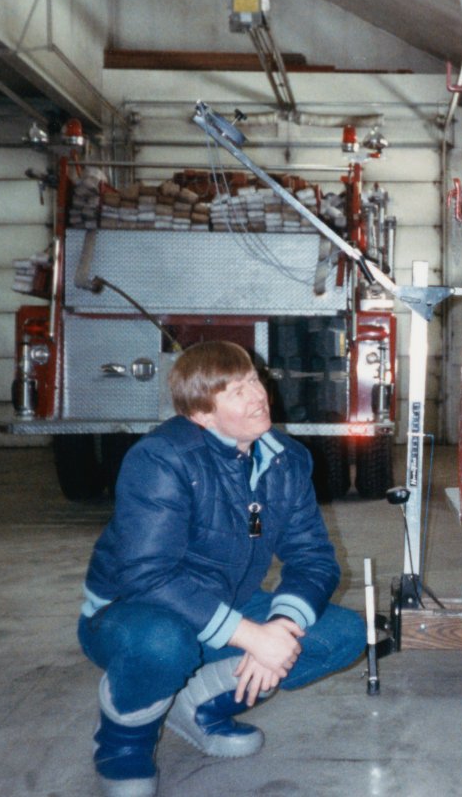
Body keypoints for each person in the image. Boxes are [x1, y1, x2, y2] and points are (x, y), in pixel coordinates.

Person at [77, 341, 363, 797]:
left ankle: (197, 707)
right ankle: (123, 742)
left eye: (253, 380)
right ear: (202, 416)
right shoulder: (160, 459)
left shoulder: (285, 460)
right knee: (163, 645)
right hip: (130, 612)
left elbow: (312, 558)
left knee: (341, 635)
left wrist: (281, 627)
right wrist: (250, 636)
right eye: (234, 391)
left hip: (227, 600)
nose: (256, 396)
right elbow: (146, 576)